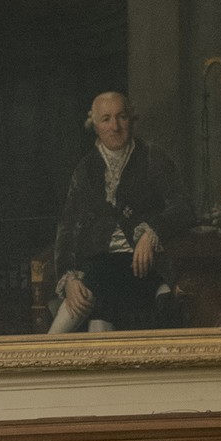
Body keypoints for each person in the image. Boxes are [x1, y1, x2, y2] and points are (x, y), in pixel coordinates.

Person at [47, 90, 192, 334]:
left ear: (132, 120)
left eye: (121, 117)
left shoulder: (152, 158)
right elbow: (68, 227)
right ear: (94, 125)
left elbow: (184, 207)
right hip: (97, 264)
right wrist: (69, 279)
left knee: (97, 294)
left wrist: (151, 232)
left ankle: (45, 352)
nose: (115, 126)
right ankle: (47, 351)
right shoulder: (85, 170)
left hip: (143, 266)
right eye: (106, 119)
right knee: (93, 307)